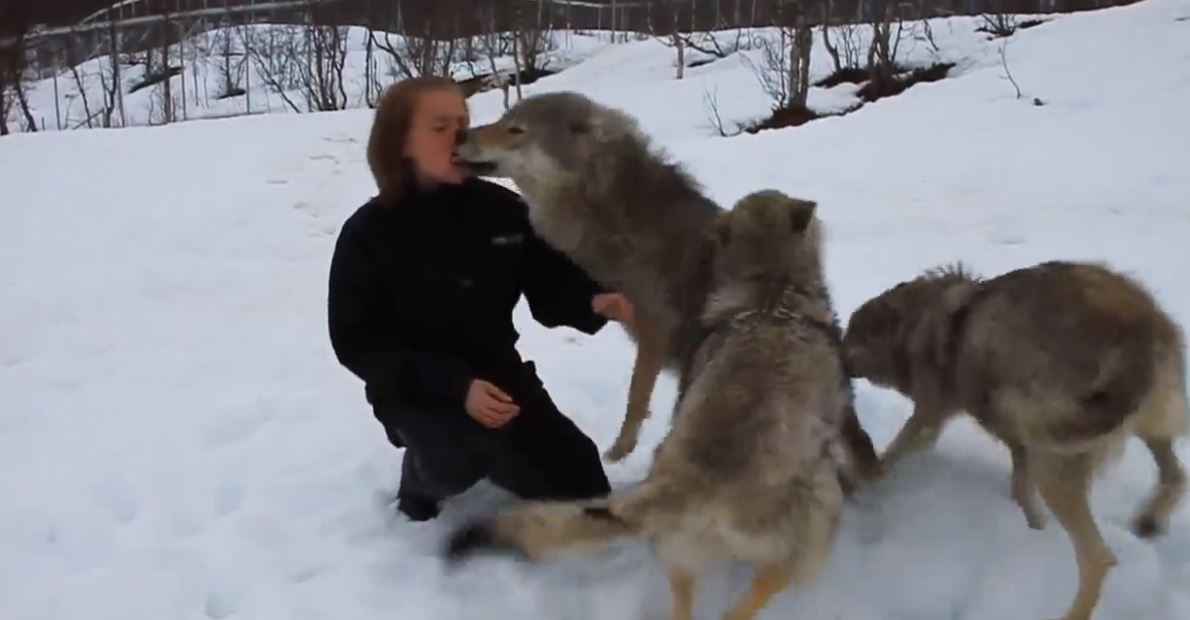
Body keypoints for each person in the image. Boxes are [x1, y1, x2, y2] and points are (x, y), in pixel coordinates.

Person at [327, 76, 634, 522]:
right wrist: (455, 386)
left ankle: (499, 455)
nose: (460, 136)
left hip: (500, 378)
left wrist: (600, 301)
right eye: (440, 126)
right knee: (457, 455)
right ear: (401, 143)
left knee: (583, 485)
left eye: (464, 122)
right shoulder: (368, 234)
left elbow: (550, 290)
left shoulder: (502, 211)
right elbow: (358, 343)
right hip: (416, 388)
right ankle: (420, 476)